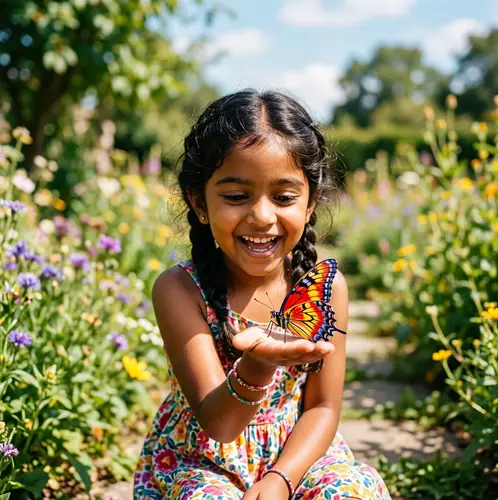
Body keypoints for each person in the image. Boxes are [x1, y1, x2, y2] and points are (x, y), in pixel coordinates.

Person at [134, 89, 391, 499]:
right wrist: (258, 365)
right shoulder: (181, 289)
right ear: (199, 203)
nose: (262, 216)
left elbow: (323, 408)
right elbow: (219, 425)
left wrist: (280, 480)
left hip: (299, 457)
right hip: (203, 461)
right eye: (236, 197)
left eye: (285, 197)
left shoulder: (325, 290)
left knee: (351, 490)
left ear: (310, 203)